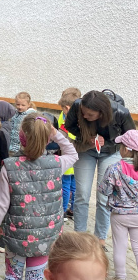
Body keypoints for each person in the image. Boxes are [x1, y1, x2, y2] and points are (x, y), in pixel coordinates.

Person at [0, 114, 78, 280]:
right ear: (47, 139)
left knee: (12, 279)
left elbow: (0, 205)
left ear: (21, 137)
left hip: (15, 237)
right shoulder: (56, 163)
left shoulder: (9, 166)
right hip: (44, 240)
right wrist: (56, 134)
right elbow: (73, 154)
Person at [65, 89, 135, 246]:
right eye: (83, 113)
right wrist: (86, 136)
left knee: (104, 196)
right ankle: (80, 237)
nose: (85, 116)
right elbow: (69, 126)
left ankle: (100, 239)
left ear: (101, 112)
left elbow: (130, 137)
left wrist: (108, 142)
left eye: (90, 114)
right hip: (86, 150)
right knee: (82, 194)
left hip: (110, 152)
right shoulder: (78, 105)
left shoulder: (120, 113)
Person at [99, 129, 138, 280]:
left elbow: (104, 190)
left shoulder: (114, 168)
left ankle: (120, 279)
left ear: (126, 149)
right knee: (137, 247)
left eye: (121, 146)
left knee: (120, 246)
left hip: (119, 214)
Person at [58, 88, 82, 220]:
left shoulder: (68, 120)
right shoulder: (81, 118)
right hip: (77, 156)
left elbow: (62, 135)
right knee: (74, 184)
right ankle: (73, 209)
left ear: (67, 108)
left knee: (65, 185)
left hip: (68, 155)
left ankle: (63, 211)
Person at [9, 91, 37, 155]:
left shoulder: (30, 116)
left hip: (21, 149)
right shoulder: (14, 113)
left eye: (23, 105)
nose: (20, 107)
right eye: (18, 104)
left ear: (28, 105)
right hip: (11, 146)